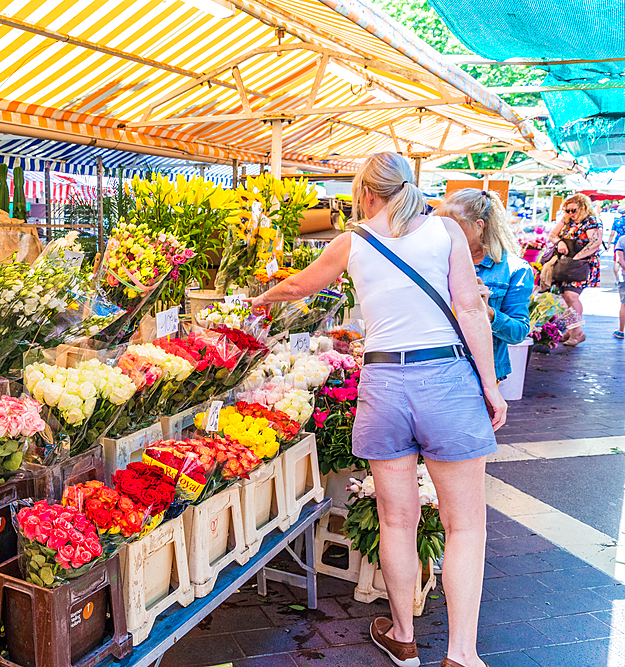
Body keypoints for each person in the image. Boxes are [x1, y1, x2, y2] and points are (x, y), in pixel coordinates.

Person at [250, 152, 506, 667]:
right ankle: (461, 654)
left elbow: (299, 286)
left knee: (396, 521)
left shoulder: (352, 241)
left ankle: (404, 638)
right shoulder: (448, 233)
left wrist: (260, 298)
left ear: (364, 192)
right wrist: (491, 386)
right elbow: (470, 308)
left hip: (384, 382)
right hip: (446, 378)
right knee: (465, 526)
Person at [436, 189, 533, 380]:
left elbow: (519, 332)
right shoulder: (437, 260)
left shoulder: (514, 269)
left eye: (454, 226)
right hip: (437, 367)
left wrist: (487, 313)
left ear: (479, 226)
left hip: (481, 374)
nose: (446, 232)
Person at [548, 194, 603, 346]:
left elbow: (595, 242)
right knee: (565, 297)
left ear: (583, 207)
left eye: (574, 210)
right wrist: (559, 242)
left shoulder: (592, 221)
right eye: (568, 210)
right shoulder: (567, 221)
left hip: (582, 264)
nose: (571, 213)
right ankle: (570, 330)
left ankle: (577, 332)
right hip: (565, 264)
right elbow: (552, 234)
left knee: (572, 296)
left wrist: (577, 258)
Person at [614, 232, 625, 340]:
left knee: (624, 304)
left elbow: (619, 259)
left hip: (624, 277)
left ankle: (621, 331)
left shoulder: (622, 239)